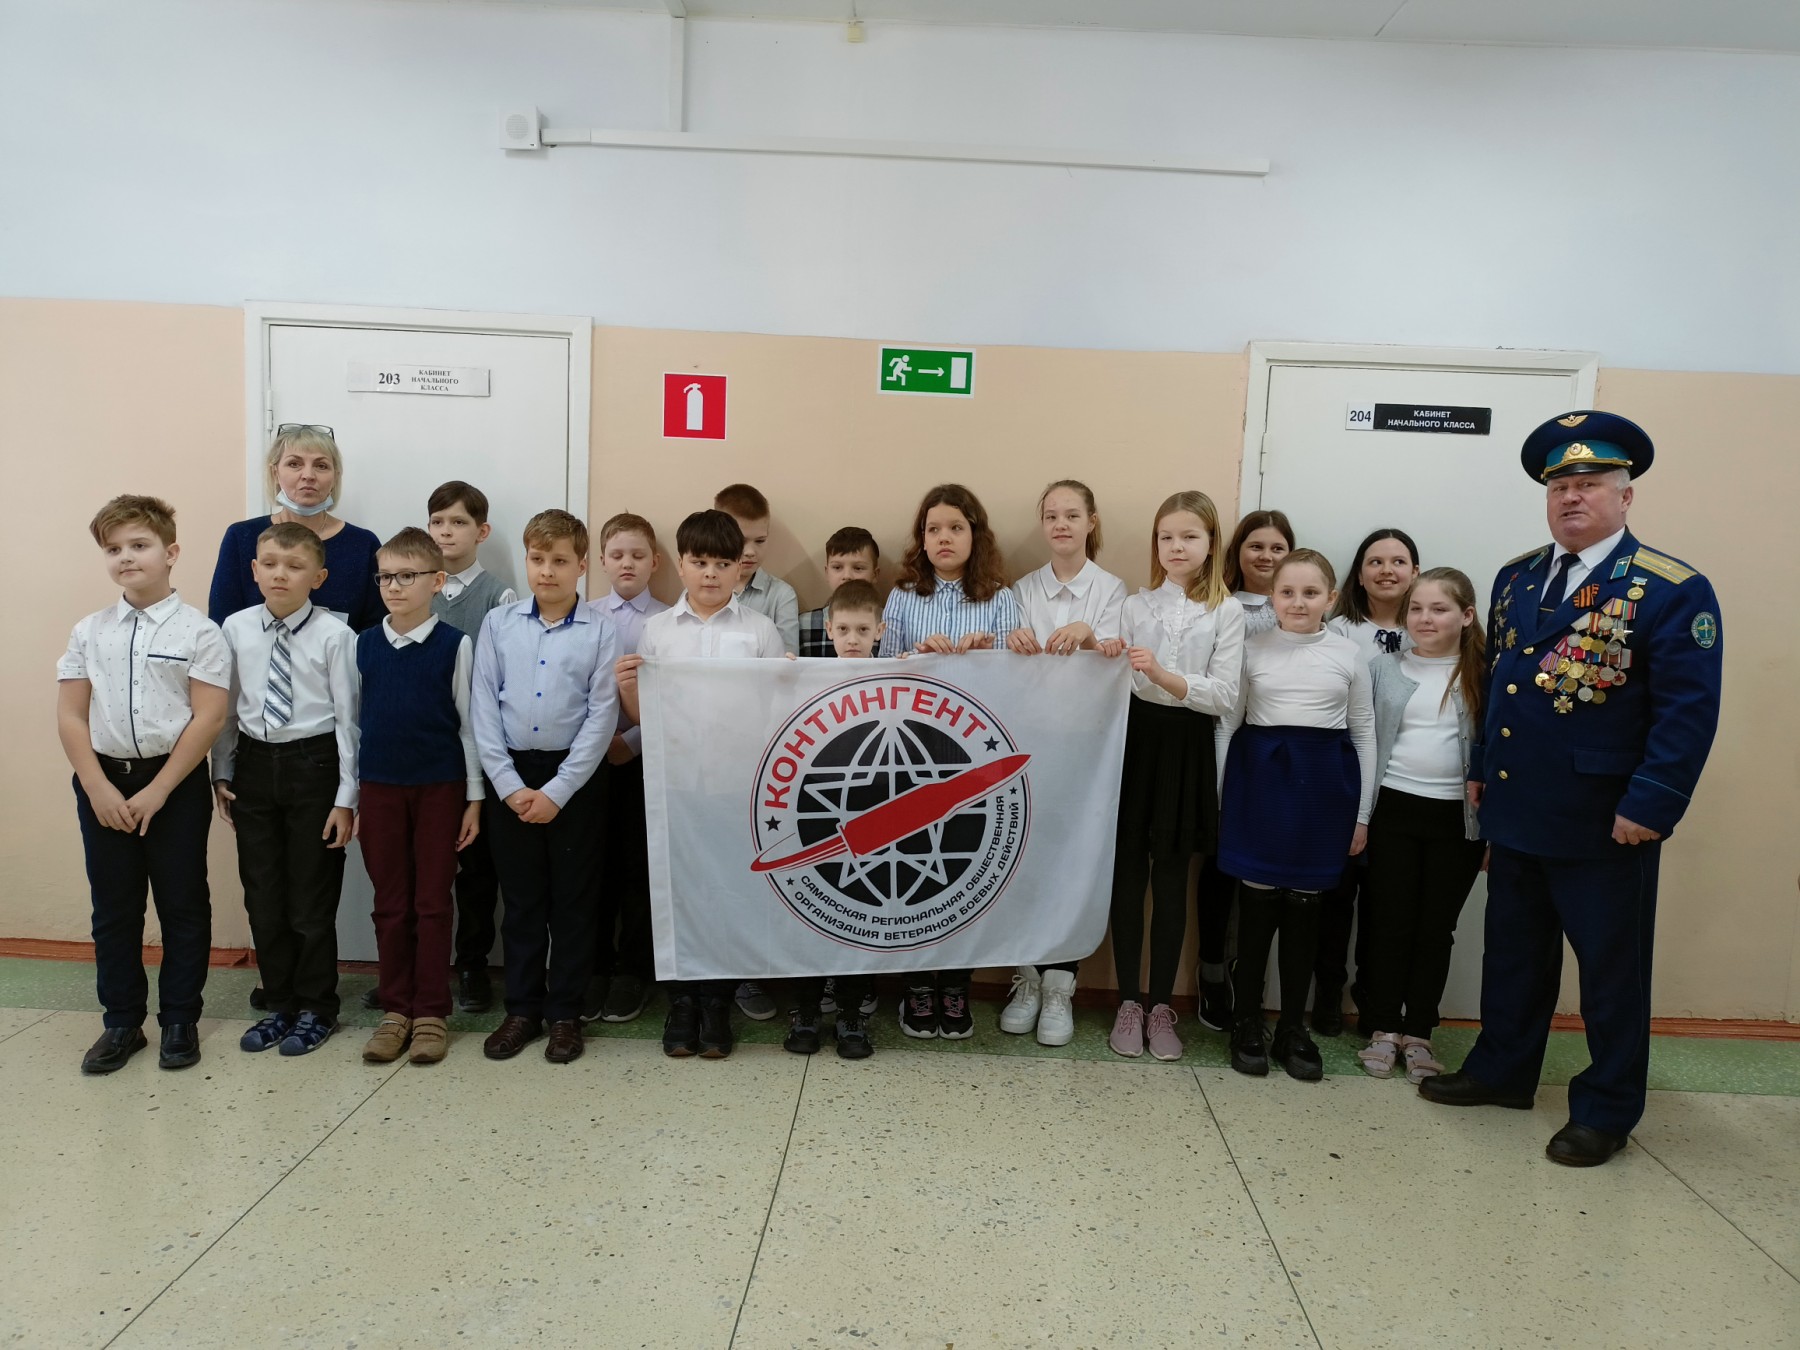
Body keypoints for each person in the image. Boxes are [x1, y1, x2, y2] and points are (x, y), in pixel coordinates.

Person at [1421, 411, 1723, 1167]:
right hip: (1518, 808)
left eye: (1589, 484)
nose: (1572, 497)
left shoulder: (1670, 590)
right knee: (1513, 957)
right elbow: (1501, 684)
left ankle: (1607, 1108)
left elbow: (1686, 713)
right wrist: (1482, 770)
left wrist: (1650, 804)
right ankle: (1502, 1071)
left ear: (1626, 496)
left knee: (1612, 975)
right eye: (1560, 486)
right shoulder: (1518, 577)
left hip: (1605, 820)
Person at [58, 495, 230, 1074]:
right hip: (104, 781)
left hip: (172, 784)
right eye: (114, 549)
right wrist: (96, 787)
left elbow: (209, 717)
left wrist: (159, 790)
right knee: (114, 908)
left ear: (170, 552)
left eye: (139, 545)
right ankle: (121, 1022)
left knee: (183, 903)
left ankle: (180, 1019)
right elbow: (71, 715)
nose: (126, 557)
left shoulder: (200, 631)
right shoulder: (90, 631)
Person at [618, 509, 786, 1059]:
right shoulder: (658, 631)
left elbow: (778, 712)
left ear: (740, 567)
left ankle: (716, 1001)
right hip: (677, 785)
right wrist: (628, 692)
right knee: (678, 892)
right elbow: (647, 718)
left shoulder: (759, 630)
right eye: (699, 562)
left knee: (727, 892)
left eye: (722, 563)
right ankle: (682, 1001)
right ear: (681, 564)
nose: (710, 573)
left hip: (737, 787)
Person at [1219, 548, 1374, 1083]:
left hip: (1323, 791)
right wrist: (1221, 799)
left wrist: (1362, 815)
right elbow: (1228, 724)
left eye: (1311, 593)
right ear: (1272, 597)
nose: (1298, 602)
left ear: (1331, 598)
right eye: (1287, 592)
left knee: (1307, 911)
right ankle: (1246, 1021)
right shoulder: (1250, 649)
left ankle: (1292, 1026)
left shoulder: (1349, 654)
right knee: (1257, 907)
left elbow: (1363, 733)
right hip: (1260, 783)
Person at [470, 510, 619, 1066]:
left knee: (574, 903)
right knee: (523, 902)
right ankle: (523, 1009)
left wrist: (558, 791)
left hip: (575, 781)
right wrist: (509, 786)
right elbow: (483, 708)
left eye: (560, 561)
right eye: (538, 559)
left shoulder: (601, 630)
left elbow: (601, 717)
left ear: (582, 566)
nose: (547, 571)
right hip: (512, 775)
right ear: (527, 561)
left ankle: (565, 1014)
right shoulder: (499, 624)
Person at [879, 483, 1023, 1040]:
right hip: (912, 752)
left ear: (974, 535)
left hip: (974, 757)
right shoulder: (902, 597)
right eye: (933, 529)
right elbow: (878, 673)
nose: (944, 538)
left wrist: (988, 657)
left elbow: (1022, 680)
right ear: (921, 538)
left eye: (956, 528)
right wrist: (917, 655)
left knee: (963, 865)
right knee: (914, 864)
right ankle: (917, 983)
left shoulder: (1000, 598)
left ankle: (957, 983)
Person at [1106, 491, 1244, 1061]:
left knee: (1169, 881)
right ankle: (1127, 1001)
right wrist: (1107, 654)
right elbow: (1115, 681)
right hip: (1135, 742)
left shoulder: (1226, 611)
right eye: (1166, 537)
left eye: (1189, 536)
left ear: (1211, 543)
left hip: (1187, 746)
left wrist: (1164, 676)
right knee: (1127, 875)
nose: (1176, 547)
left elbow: (1225, 696)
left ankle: (1161, 1005)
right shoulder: (1134, 605)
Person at [211, 523, 359, 1056]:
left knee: (310, 900)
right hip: (253, 767)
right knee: (264, 895)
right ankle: (280, 1002)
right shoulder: (234, 628)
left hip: (313, 766)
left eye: (295, 566)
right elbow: (227, 708)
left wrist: (346, 798)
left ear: (318, 577)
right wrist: (221, 771)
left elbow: (349, 721)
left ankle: (317, 1007)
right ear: (254, 570)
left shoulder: (336, 635)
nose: (281, 574)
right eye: (270, 564)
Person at [1002, 479, 1127, 1046]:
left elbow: (1116, 660)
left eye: (1072, 515)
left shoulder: (1112, 590)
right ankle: (1026, 978)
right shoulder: (1022, 589)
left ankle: (1060, 985)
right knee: (1025, 859)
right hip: (1030, 745)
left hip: (1085, 748)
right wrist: (1015, 642)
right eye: (1051, 515)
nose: (1061, 524)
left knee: (1073, 863)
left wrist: (1090, 633)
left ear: (1091, 522)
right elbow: (1007, 662)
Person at [356, 529, 484, 1067]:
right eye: (386, 576)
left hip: (440, 790)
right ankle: (396, 1010)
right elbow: (353, 726)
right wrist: (351, 798)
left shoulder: (456, 645)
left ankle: (431, 1011)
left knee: (432, 902)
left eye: (407, 576)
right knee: (390, 903)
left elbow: (469, 726)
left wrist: (474, 798)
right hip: (379, 789)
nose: (394, 586)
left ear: (436, 582)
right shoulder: (362, 644)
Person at [1355, 568, 1485, 1084]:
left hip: (1457, 820)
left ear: (1466, 616)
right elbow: (1363, 740)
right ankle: (1384, 1026)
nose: (1425, 618)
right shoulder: (1382, 669)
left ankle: (1419, 1032)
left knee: (1436, 929)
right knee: (1390, 922)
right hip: (1394, 811)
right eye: (1416, 609)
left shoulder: (1484, 674)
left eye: (1439, 609)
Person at [1193, 508, 1299, 1030]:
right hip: (1222, 744)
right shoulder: (1218, 606)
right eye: (1256, 546)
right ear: (1236, 551)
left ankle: (1248, 973)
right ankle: (1212, 969)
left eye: (1278, 548)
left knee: (1263, 870)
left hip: (1276, 756)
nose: (1266, 556)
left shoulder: (1300, 608)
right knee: (1219, 864)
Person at [1314, 527, 1420, 1037]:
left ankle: (1374, 1000)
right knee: (1335, 900)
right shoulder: (1336, 632)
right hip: (1344, 785)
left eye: (1398, 561)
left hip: (1402, 789)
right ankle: (1327, 996)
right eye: (1375, 562)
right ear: (1359, 574)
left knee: (1386, 906)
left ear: (1415, 572)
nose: (1386, 571)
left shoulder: (1430, 630)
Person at [782, 578, 887, 1061]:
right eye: (843, 629)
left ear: (880, 631)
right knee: (809, 916)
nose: (852, 639)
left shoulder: (896, 678)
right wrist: (778, 679)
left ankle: (850, 1013)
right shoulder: (807, 675)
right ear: (827, 629)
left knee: (858, 918)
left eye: (862, 630)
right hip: (816, 818)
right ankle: (806, 1010)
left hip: (871, 822)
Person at [426, 480, 517, 1015]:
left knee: (477, 873)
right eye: (438, 521)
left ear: (480, 532)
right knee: (426, 870)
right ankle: (420, 969)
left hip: (477, 753)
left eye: (458, 522)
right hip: (424, 752)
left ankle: (473, 966)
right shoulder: (415, 588)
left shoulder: (499, 597)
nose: (446, 532)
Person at [713, 483, 799, 1022]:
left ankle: (752, 972)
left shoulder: (778, 596)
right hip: (704, 754)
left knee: (755, 867)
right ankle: (709, 977)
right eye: (738, 540)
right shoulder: (698, 590)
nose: (748, 552)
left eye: (759, 541)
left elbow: (783, 674)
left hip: (759, 755)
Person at [586, 511, 669, 1025]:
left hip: (644, 759)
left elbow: (672, 697)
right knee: (594, 867)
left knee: (639, 866)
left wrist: (632, 743)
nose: (627, 563)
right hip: (589, 761)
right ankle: (594, 966)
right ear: (601, 561)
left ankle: (634, 971)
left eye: (638, 555)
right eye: (617, 554)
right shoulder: (586, 615)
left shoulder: (667, 621)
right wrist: (601, 743)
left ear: (655, 562)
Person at [209, 424, 383, 633]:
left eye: (321, 466)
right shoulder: (242, 537)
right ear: (275, 472)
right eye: (294, 464)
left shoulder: (363, 544)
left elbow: (374, 631)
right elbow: (221, 623)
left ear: (335, 477)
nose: (308, 475)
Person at [797, 526, 880, 658]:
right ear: (827, 572)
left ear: (875, 574)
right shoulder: (804, 624)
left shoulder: (888, 623)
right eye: (837, 567)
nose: (847, 576)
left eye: (858, 568)